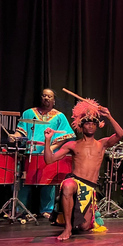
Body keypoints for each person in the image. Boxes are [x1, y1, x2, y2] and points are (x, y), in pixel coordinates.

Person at [44, 99, 123, 240]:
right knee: (68, 185)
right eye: (87, 123)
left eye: (93, 123)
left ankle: (78, 217)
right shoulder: (73, 145)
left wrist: (109, 116)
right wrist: (48, 140)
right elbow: (49, 159)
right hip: (76, 182)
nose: (91, 126)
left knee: (84, 227)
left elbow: (120, 134)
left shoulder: (102, 144)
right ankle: (67, 227)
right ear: (81, 126)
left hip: (90, 188)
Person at [9, 88, 75, 219]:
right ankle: (19, 209)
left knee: (48, 183)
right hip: (30, 154)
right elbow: (21, 131)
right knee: (24, 182)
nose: (46, 98)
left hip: (49, 154)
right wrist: (14, 136)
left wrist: (50, 148)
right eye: (44, 95)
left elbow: (67, 136)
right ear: (41, 97)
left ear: (54, 100)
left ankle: (47, 210)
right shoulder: (29, 113)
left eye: (49, 96)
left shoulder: (59, 116)